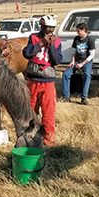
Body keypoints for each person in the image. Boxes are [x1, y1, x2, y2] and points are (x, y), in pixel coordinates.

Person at [23, 15, 62, 146]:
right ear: (42, 27)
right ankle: (29, 137)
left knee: (48, 113)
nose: (50, 31)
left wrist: (51, 46)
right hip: (33, 80)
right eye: (47, 28)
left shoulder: (57, 41)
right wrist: (41, 44)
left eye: (52, 28)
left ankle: (48, 140)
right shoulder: (33, 38)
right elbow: (27, 54)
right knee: (30, 112)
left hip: (48, 82)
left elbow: (56, 60)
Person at [61, 23, 95, 105]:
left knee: (87, 75)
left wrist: (82, 64)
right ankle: (66, 97)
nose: (77, 32)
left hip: (86, 61)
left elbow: (92, 55)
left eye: (78, 31)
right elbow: (73, 51)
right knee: (66, 74)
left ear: (84, 30)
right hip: (76, 61)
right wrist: (72, 61)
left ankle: (84, 98)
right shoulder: (76, 39)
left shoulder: (90, 40)